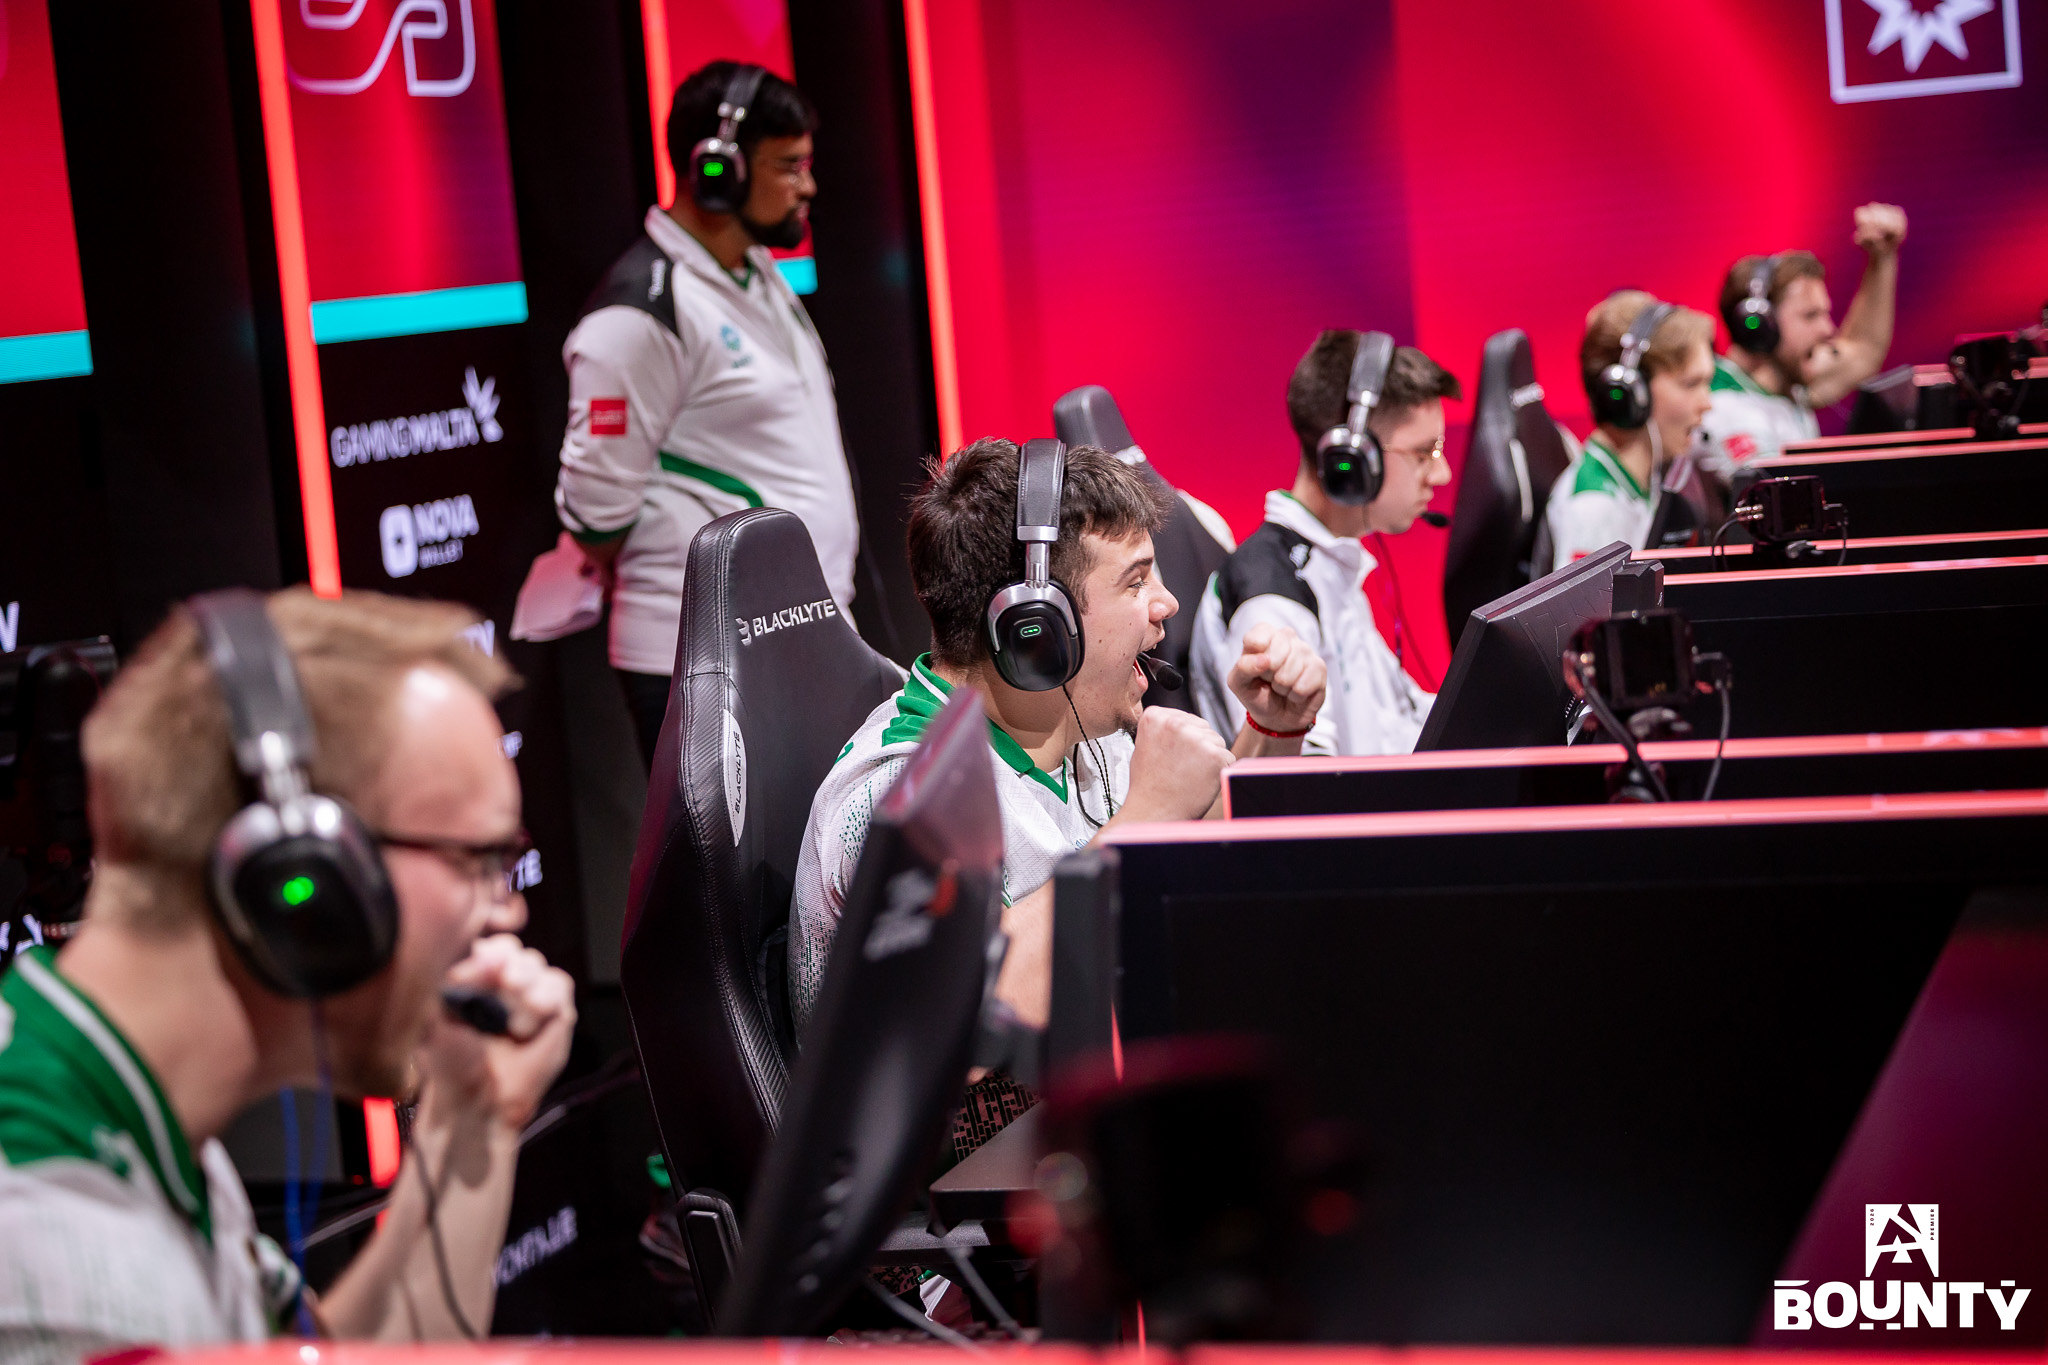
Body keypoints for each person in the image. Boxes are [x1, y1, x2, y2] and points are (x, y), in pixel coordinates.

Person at [0, 590, 575, 1361]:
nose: (506, 909)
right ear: (306, 878)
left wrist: (473, 1117)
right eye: (480, 859)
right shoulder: (74, 1283)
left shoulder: (123, 1111)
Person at [789, 439, 1326, 1036]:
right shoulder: (900, 800)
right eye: (1135, 582)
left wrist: (1273, 728)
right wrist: (1145, 819)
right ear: (1037, 630)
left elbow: (1194, 859)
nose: (1167, 603)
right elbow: (967, 1036)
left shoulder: (1077, 726)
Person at [554, 60, 857, 764]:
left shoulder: (751, 273)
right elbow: (595, 512)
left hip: (791, 635)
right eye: (788, 166)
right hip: (706, 665)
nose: (808, 185)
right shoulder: (640, 312)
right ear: (716, 171)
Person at [1189, 331, 1456, 756]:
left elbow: (1398, 722)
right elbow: (1303, 783)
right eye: (1425, 453)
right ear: (1351, 460)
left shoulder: (1332, 567)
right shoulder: (1273, 601)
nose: (1441, 474)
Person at [1701, 203, 1910, 477]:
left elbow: (1863, 350)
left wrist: (1882, 257)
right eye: (1810, 316)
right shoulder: (1724, 410)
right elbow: (1780, 497)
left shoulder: (1784, 383)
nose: (1828, 330)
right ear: (1761, 326)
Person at [1543, 292, 1716, 572]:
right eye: (1691, 384)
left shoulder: (1645, 478)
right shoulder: (1595, 508)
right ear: (1632, 394)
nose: (1707, 404)